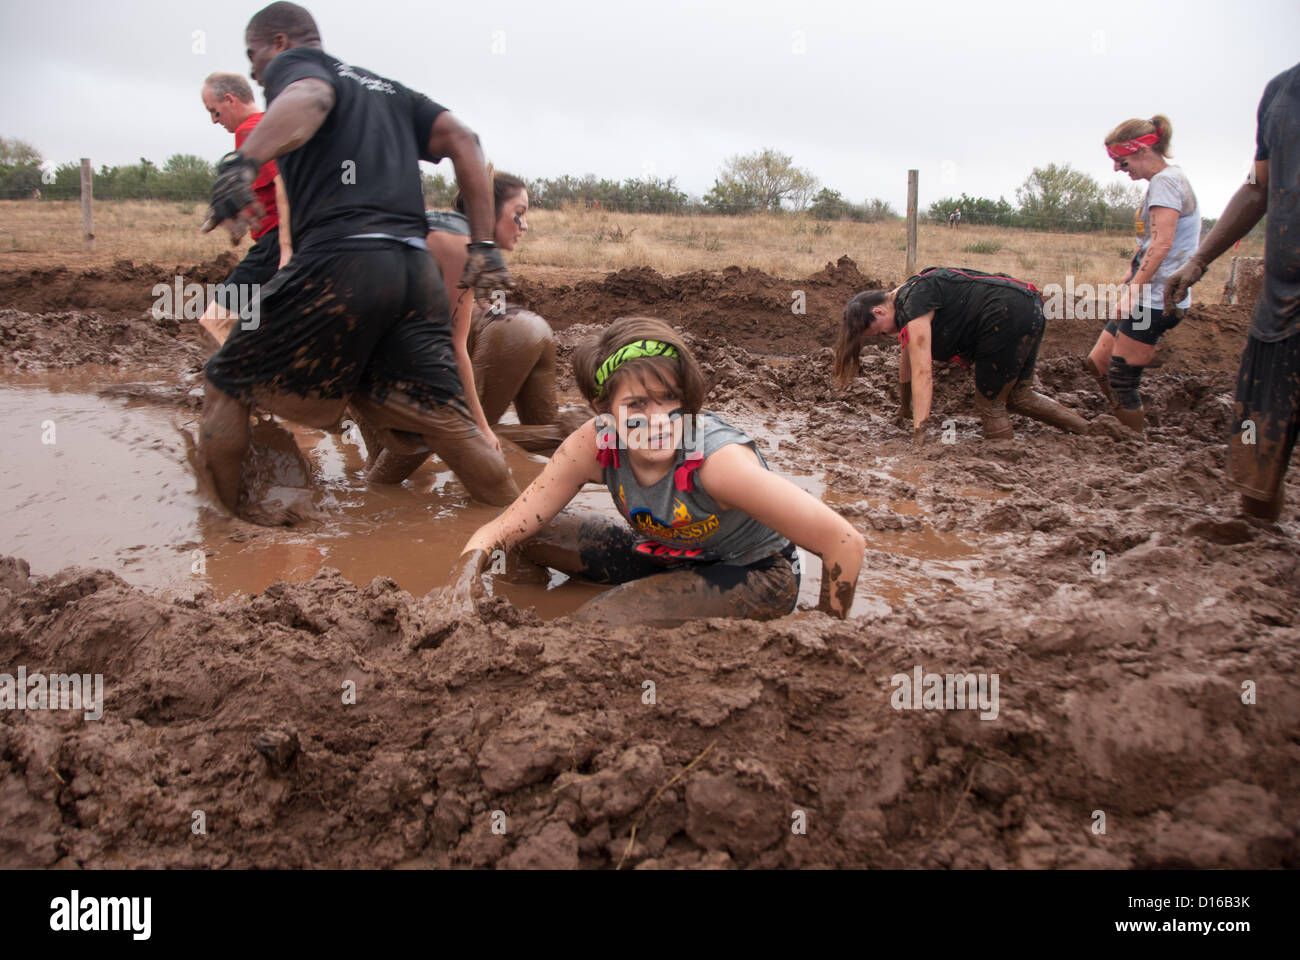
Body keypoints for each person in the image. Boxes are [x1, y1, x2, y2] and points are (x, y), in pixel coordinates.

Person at [199, 1, 519, 523]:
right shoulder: (390, 91)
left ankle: (223, 532)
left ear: (280, 43)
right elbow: (466, 140)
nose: (258, 74)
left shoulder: (301, 72)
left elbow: (310, 97)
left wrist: (244, 160)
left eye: (253, 57)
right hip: (414, 275)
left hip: (341, 259)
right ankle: (517, 526)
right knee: (448, 422)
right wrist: (483, 246)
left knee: (225, 379)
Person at [439, 317, 865, 623]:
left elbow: (844, 543)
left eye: (669, 398)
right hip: (671, 558)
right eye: (637, 405)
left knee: (600, 620)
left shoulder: (720, 465)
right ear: (604, 412)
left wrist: (824, 638)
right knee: (528, 539)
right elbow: (504, 527)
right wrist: (460, 589)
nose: (659, 422)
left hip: (758, 573)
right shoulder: (593, 443)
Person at [360, 171, 581, 484]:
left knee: (399, 468)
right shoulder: (459, 245)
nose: (525, 225)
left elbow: (449, 353)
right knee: (551, 459)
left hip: (509, 335)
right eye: (519, 215)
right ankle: (582, 436)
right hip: (530, 331)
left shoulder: (448, 241)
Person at [1166, 63, 1299, 523]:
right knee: (1255, 452)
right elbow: (1258, 186)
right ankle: (1258, 539)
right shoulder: (1282, 92)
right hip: (1281, 306)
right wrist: (1198, 260)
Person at [834, 267, 1092, 441]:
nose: (884, 337)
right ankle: (1088, 430)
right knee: (1018, 395)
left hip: (1005, 313)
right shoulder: (906, 297)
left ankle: (1005, 460)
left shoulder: (913, 304)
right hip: (1026, 305)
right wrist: (904, 409)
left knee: (990, 405)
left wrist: (919, 435)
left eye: (879, 332)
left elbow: (924, 372)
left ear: (878, 312)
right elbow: (908, 359)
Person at [1082, 114, 1200, 433]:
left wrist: (1133, 291)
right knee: (1097, 364)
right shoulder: (1163, 183)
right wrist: (1131, 268)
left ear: (1142, 152)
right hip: (1146, 296)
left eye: (1122, 162)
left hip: (1155, 302)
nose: (1119, 170)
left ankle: (1135, 443)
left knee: (1121, 379)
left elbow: (1162, 244)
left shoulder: (1166, 182)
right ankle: (1127, 421)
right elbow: (1151, 240)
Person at [198, 71, 291, 350]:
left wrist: (286, 249)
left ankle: (242, 385)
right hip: (289, 239)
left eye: (214, 112)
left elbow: (284, 185)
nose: (214, 121)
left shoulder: (250, 131)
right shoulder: (271, 125)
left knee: (214, 321)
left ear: (229, 100)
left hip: (276, 242)